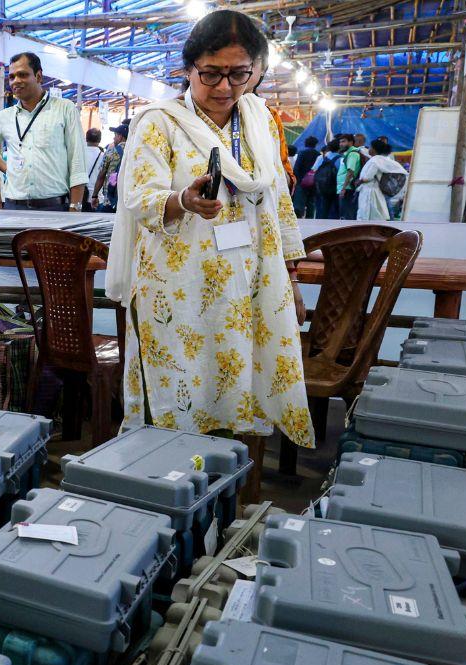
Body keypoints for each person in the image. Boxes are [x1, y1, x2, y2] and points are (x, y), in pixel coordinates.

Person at [105, 9, 313, 447]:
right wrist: (183, 200)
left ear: (256, 71)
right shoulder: (159, 122)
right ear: (187, 69)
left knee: (239, 390)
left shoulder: (259, 119)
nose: (224, 88)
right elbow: (139, 197)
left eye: (239, 74)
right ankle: (169, 484)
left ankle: (221, 483)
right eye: (211, 74)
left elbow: (278, 202)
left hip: (246, 284)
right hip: (180, 288)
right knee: (181, 394)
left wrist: (292, 279)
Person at [0, 52, 88, 211]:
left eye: (22, 75)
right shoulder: (5, 116)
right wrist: (7, 168)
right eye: (12, 77)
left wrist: (75, 207)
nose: (16, 81)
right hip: (14, 206)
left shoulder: (64, 109)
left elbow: (77, 161)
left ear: (39, 76)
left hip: (54, 208)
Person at [356, 138, 408, 221]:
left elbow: (368, 177)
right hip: (377, 190)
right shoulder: (382, 159)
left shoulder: (374, 161)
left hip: (369, 191)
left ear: (374, 149)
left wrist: (359, 181)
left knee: (368, 214)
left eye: (370, 147)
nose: (369, 149)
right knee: (378, 213)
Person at [94, 119, 127, 212]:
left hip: (111, 201)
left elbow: (101, 176)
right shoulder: (135, 152)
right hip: (128, 201)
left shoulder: (111, 152)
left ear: (120, 137)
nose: (113, 138)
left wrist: (94, 195)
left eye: (115, 135)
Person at [337, 133, 365, 219]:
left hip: (348, 189)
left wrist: (344, 188)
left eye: (344, 142)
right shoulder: (348, 153)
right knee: (345, 214)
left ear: (351, 142)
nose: (341, 144)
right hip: (345, 188)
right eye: (340, 142)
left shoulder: (352, 154)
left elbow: (350, 172)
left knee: (347, 215)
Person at [312, 141, 342, 219]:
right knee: (335, 208)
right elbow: (341, 172)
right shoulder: (340, 159)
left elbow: (314, 169)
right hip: (335, 186)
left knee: (324, 207)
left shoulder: (323, 157)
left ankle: (322, 223)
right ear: (339, 148)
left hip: (323, 185)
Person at [291, 136, 320, 218]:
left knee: (299, 201)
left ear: (305, 143)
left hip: (301, 181)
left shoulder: (302, 153)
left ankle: (299, 217)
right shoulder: (318, 154)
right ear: (315, 144)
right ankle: (310, 217)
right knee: (311, 202)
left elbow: (297, 168)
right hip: (313, 181)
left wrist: (297, 180)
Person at [83, 128, 105, 211]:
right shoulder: (103, 155)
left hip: (80, 195)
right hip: (97, 198)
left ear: (86, 138)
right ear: (100, 140)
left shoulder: (79, 153)